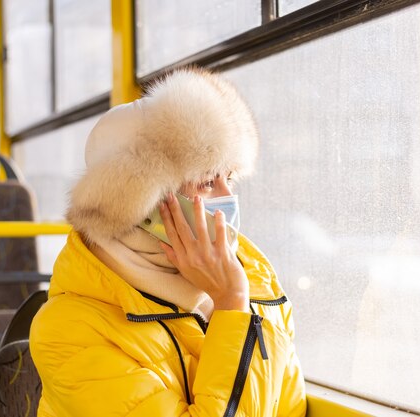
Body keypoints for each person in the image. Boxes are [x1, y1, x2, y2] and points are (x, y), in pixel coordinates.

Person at [29, 67, 306, 417]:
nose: (228, 197)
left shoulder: (256, 278)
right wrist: (231, 303)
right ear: (145, 204)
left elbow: (292, 408)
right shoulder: (67, 330)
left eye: (230, 178)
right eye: (207, 181)